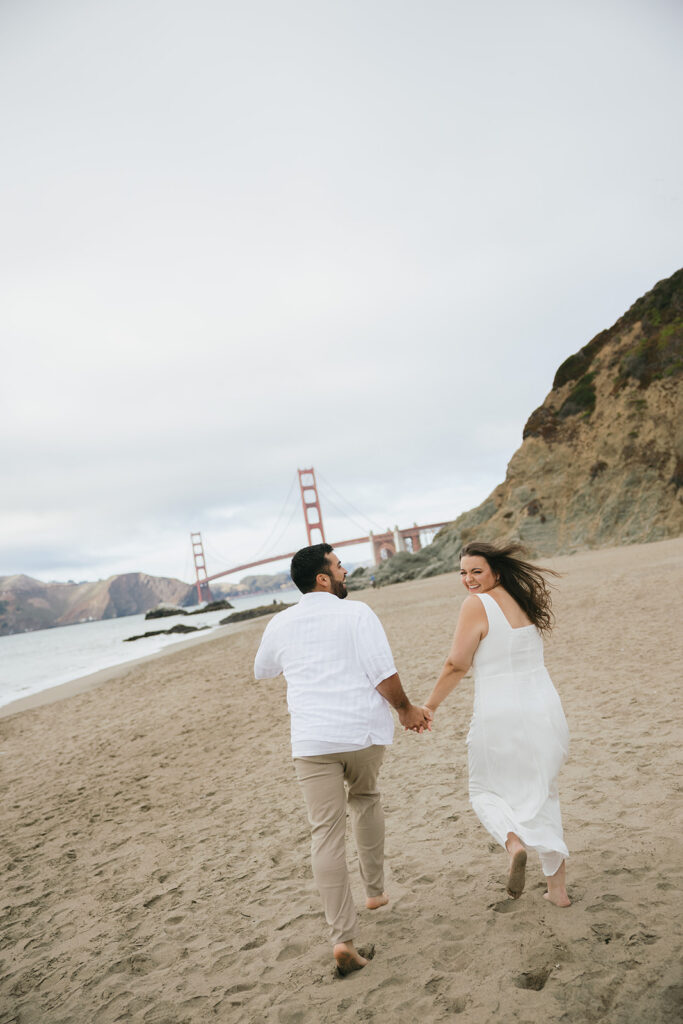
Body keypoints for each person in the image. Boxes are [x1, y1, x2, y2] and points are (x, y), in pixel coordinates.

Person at [254, 543, 431, 974]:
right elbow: (382, 672)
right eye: (338, 565)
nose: (345, 570)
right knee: (366, 797)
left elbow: (262, 670)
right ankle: (374, 892)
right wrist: (406, 710)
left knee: (325, 834)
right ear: (322, 577)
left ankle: (343, 940)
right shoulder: (357, 613)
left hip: (312, 741)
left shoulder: (280, 622)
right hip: (361, 733)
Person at [423, 541, 571, 907]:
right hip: (546, 710)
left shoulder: (477, 605)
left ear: (495, 573)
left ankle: (513, 842)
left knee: (483, 790)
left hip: (501, 713)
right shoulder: (522, 601)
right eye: (462, 572)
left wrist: (429, 706)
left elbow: (456, 665)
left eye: (477, 571)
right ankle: (558, 893)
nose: (469, 579)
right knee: (543, 792)